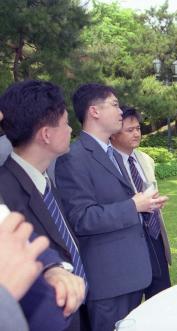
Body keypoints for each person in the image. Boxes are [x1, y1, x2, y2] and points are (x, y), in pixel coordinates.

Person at [55, 83, 167, 331]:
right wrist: (133, 206)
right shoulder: (73, 158)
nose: (120, 112)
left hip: (133, 272)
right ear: (94, 111)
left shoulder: (112, 154)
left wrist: (145, 205)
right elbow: (82, 218)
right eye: (114, 105)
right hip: (109, 281)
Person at [0, 80, 87, 330]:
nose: (71, 129)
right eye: (65, 122)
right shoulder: (4, 192)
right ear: (46, 135)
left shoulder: (47, 180)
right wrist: (51, 270)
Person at [110, 106, 172, 297]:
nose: (136, 134)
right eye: (129, 130)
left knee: (162, 298)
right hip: (128, 242)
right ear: (113, 134)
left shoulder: (145, 160)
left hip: (154, 235)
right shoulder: (107, 163)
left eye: (138, 128)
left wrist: (154, 202)